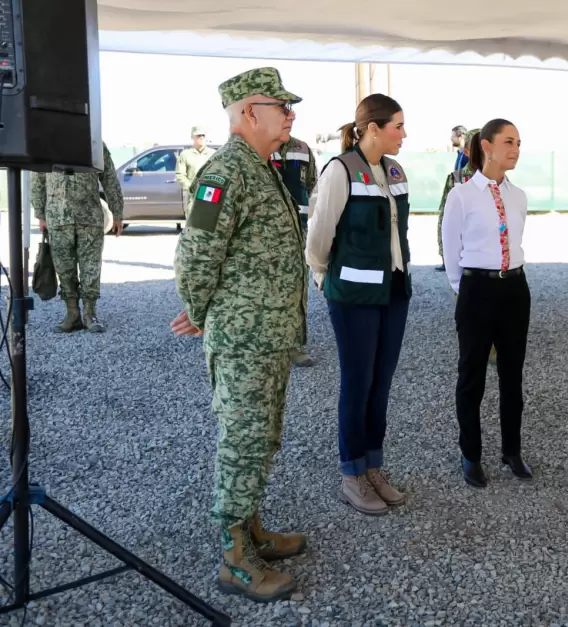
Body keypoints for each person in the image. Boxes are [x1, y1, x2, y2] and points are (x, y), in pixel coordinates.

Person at [171, 67, 307, 602]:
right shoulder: (222, 173)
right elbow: (195, 254)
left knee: (263, 439)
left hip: (269, 338)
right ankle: (233, 561)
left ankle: (251, 532)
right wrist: (199, 309)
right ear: (250, 112)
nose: (291, 115)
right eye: (282, 107)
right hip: (245, 341)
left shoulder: (261, 168)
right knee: (243, 444)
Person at [306, 94, 412, 517]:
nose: (404, 134)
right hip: (352, 297)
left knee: (381, 382)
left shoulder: (395, 170)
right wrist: (320, 274)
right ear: (372, 128)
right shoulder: (340, 170)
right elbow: (319, 231)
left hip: (393, 293)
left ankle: (374, 465)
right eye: (398, 126)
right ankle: (352, 472)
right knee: (358, 382)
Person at [442, 119, 532, 488]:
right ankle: (471, 455)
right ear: (487, 146)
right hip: (477, 290)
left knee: (513, 376)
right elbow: (450, 250)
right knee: (472, 376)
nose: (516, 149)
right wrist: (465, 291)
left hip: (515, 289)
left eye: (519, 142)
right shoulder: (461, 195)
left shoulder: (519, 195)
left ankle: (512, 451)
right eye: (508, 141)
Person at [30, 143, 124, 333]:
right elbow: (38, 178)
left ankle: (90, 314)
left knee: (91, 267)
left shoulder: (94, 141)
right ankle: (72, 314)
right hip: (57, 217)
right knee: (64, 269)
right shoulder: (47, 143)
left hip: (89, 216)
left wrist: (117, 212)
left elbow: (109, 177)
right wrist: (40, 213)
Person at [271, 134, 319, 368]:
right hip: (264, 229)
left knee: (295, 285)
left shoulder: (302, 148)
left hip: (297, 227)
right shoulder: (257, 144)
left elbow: (312, 184)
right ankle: (267, 341)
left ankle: (294, 344)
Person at [436, 128, 479, 272]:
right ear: (466, 151)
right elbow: (444, 217)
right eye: (477, 149)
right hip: (462, 252)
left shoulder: (498, 180)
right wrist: (444, 251)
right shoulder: (456, 179)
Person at [176, 126, 216, 218]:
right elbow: (180, 175)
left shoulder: (214, 154)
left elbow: (219, 173)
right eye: (198, 135)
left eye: (203, 135)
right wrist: (191, 187)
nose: (201, 137)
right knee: (192, 223)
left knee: (209, 223)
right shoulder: (185, 155)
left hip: (209, 193)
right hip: (193, 194)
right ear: (192, 137)